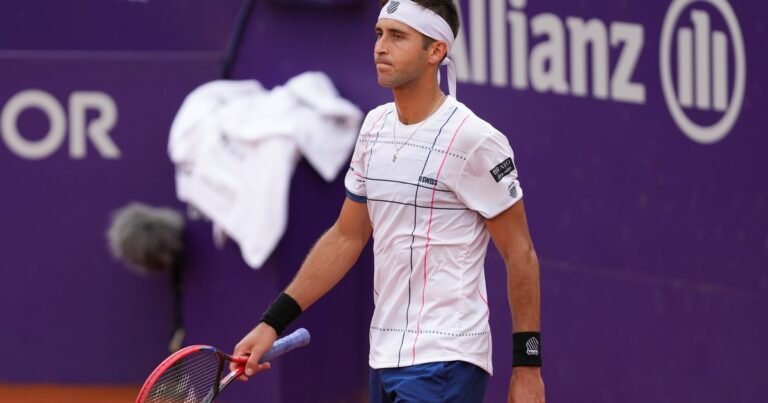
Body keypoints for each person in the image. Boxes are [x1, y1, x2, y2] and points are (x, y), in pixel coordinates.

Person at [232, 0, 545, 401]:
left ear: (436, 51)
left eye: (398, 36)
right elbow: (347, 237)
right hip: (384, 355)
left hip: (447, 357)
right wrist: (272, 323)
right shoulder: (374, 127)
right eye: (379, 33)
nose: (380, 47)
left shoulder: (475, 140)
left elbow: (520, 253)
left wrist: (527, 367)